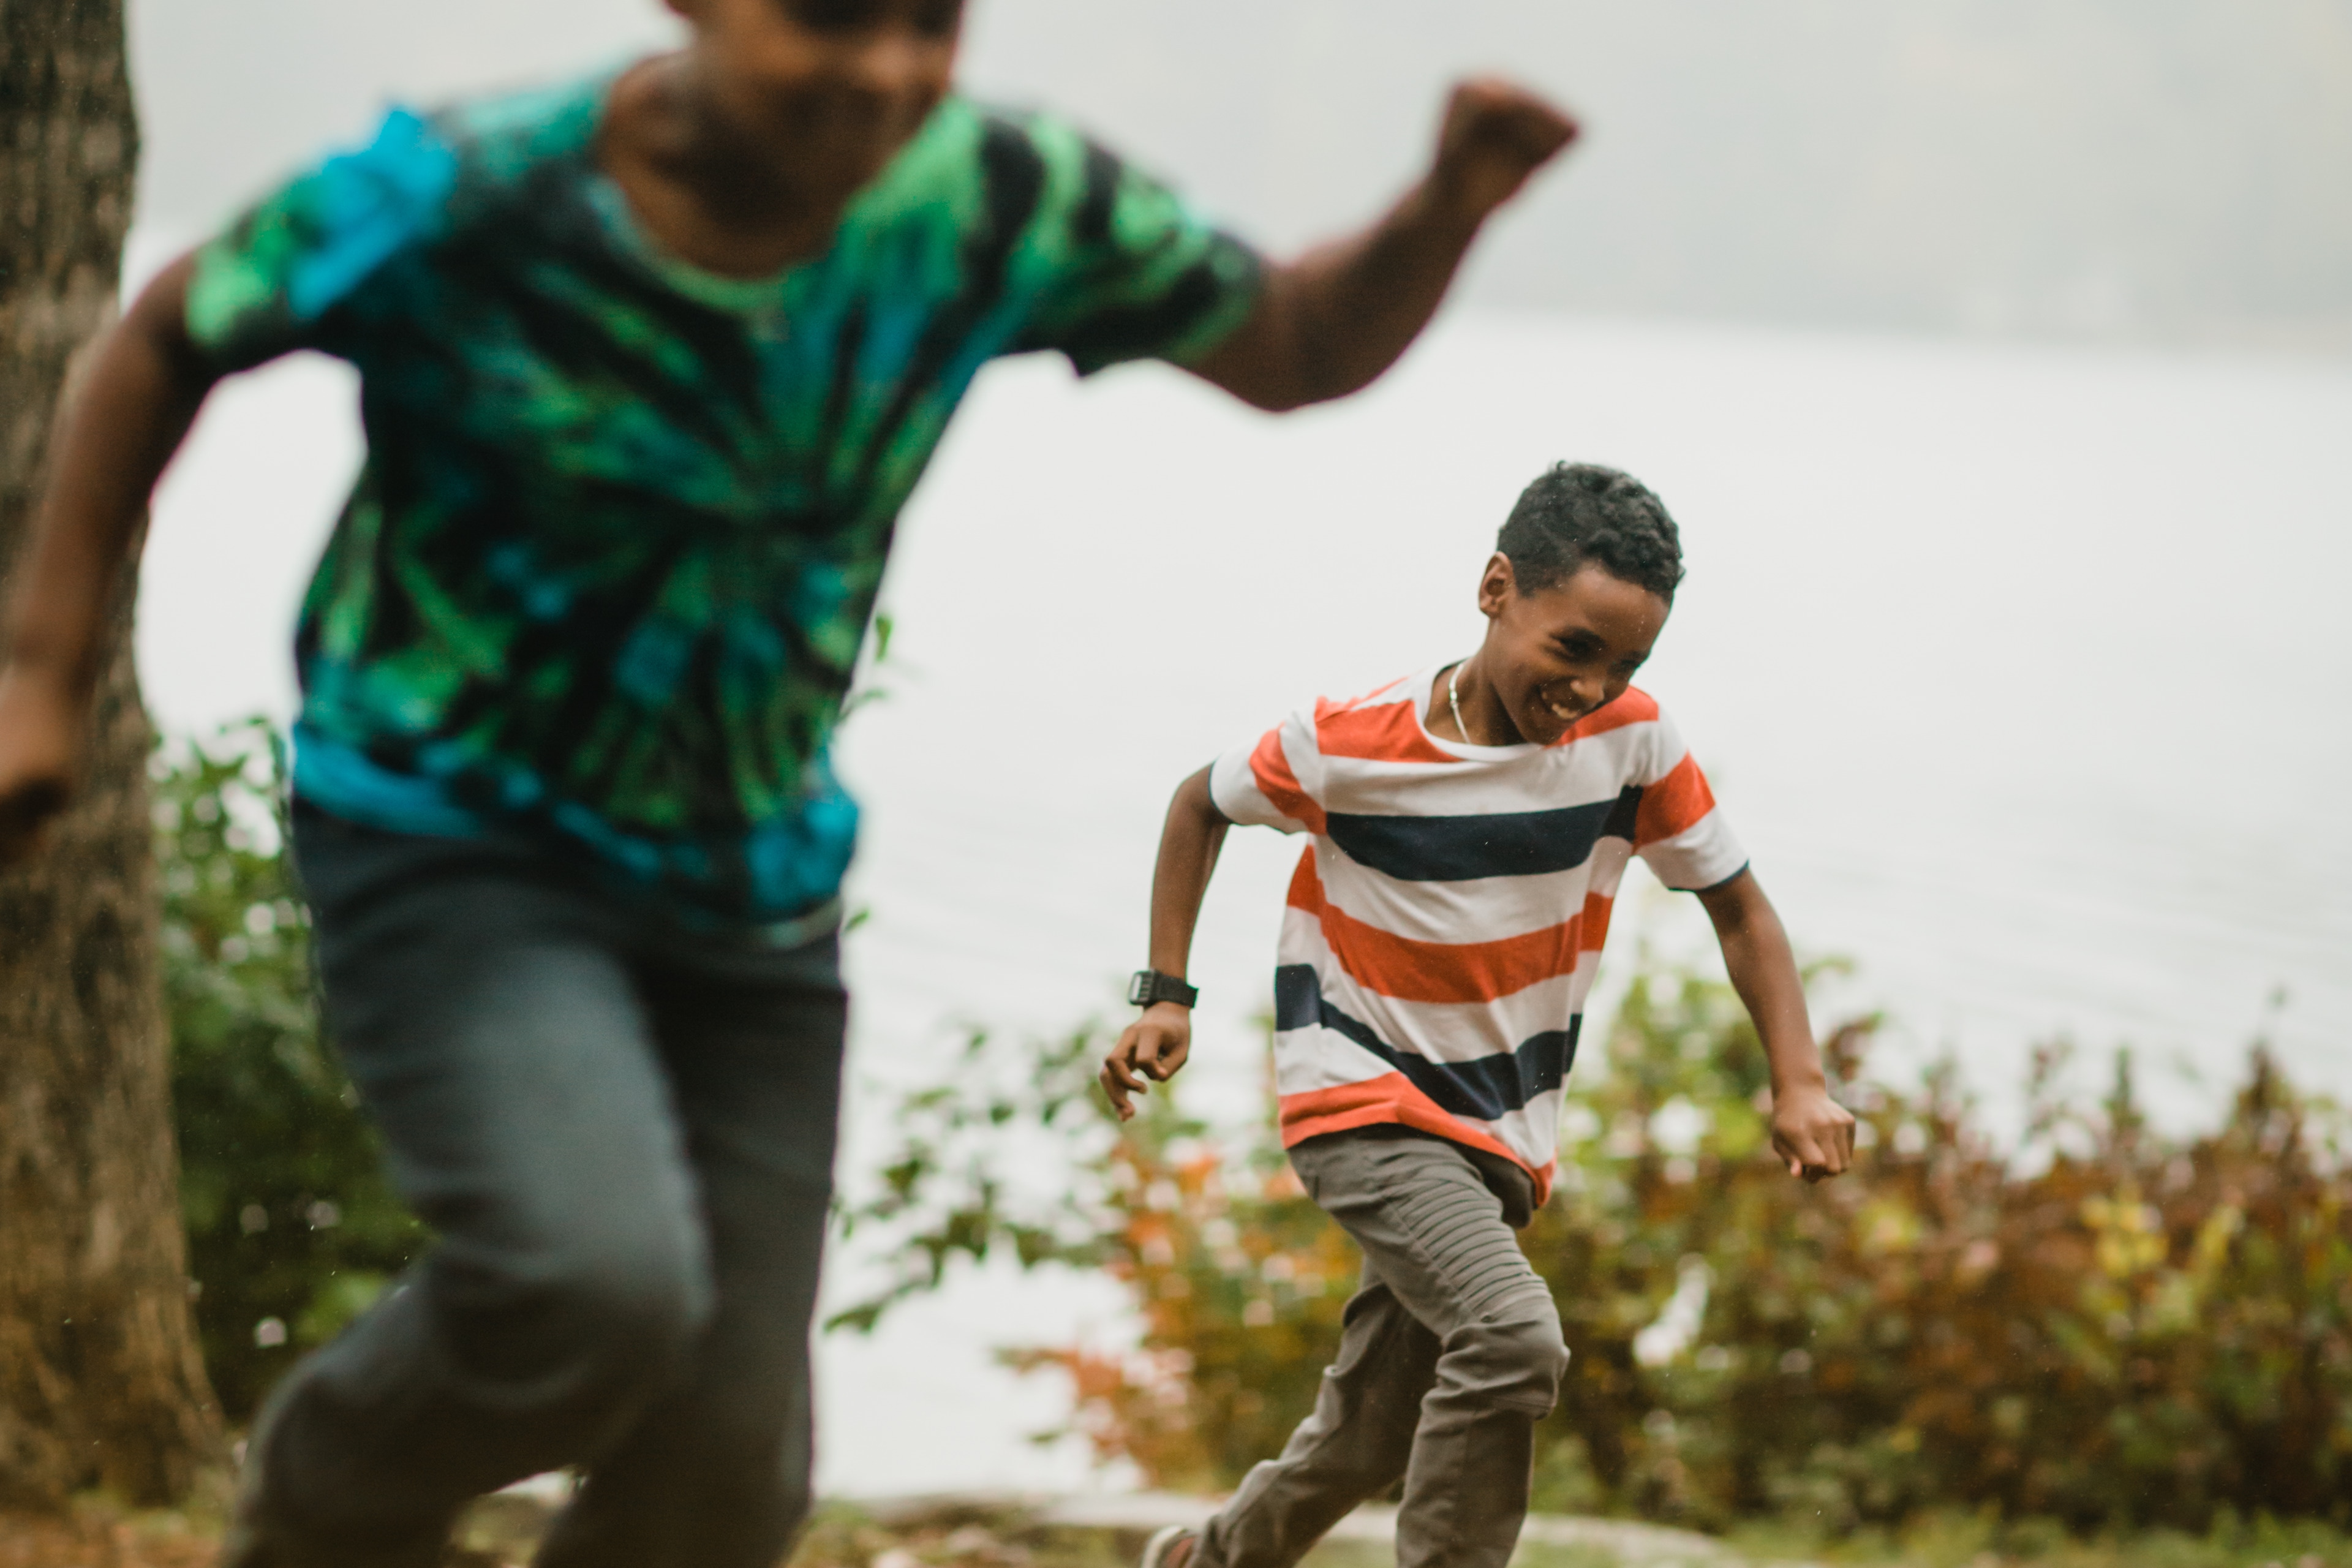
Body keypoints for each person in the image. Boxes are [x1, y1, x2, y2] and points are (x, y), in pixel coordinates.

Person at [0, 1, 1577, 1564]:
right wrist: (39, 673)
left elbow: (1294, 341)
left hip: (748, 894)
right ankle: (325, 1488)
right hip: (456, 841)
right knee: (587, 1286)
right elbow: (168, 336)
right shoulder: (476, 188)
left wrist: (1450, 203)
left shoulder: (983, 197)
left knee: (725, 1477)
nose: (886, 71)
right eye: (828, 19)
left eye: (931, 23)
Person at [1100, 462, 1857, 1568]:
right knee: (1510, 1339)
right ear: (1497, 588)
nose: (1591, 688)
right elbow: (1196, 804)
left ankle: (1200, 1563)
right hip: (1359, 1105)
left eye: (1627, 662)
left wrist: (1797, 1080)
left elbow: (1738, 907)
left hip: (1499, 1130)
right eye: (1573, 649)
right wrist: (1167, 994)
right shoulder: (1349, 742)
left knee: (1368, 1437)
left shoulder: (1634, 745)